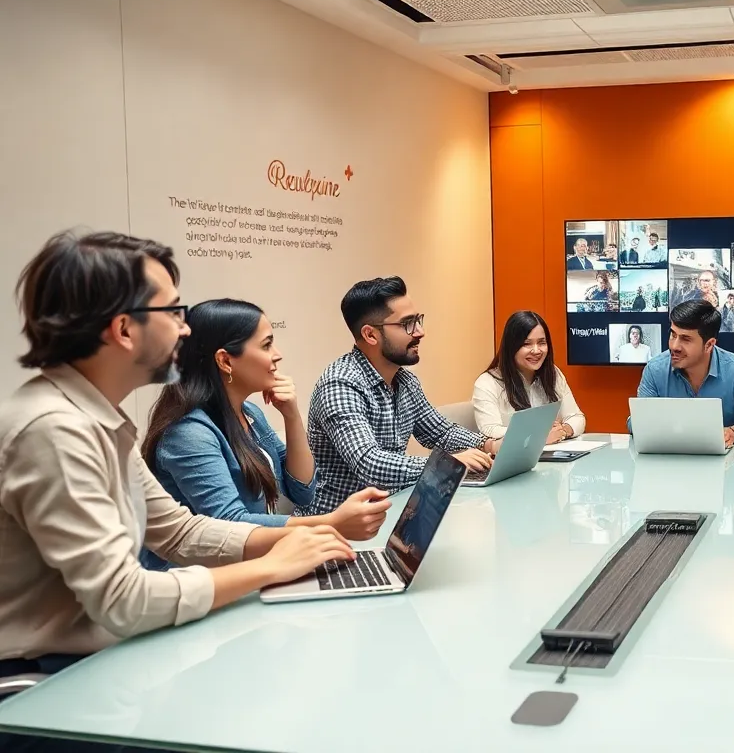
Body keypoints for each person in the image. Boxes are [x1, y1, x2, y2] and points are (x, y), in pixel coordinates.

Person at [0, 231, 359, 711]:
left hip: (93, 665)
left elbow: (178, 531)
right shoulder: (55, 430)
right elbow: (123, 599)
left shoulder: (94, 417)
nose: (184, 329)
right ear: (124, 329)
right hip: (43, 691)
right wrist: (272, 566)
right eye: (172, 312)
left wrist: (304, 537)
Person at [141, 299, 392, 570]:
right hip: (195, 581)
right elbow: (230, 525)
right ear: (225, 360)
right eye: (266, 345)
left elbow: (302, 491)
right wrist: (331, 523)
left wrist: (291, 416)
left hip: (247, 566)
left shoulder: (249, 413)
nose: (277, 354)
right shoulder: (188, 434)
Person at [303, 276, 494, 517]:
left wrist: (488, 444)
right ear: (370, 335)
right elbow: (369, 463)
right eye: (407, 324)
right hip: (339, 527)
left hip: (391, 512)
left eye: (418, 320)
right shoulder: (340, 384)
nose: (420, 332)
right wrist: (448, 465)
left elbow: (440, 432)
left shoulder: (405, 381)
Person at [633, 301, 734, 448]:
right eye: (673, 335)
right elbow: (636, 421)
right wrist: (643, 423)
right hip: (669, 455)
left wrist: (732, 433)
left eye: (685, 339)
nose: (674, 346)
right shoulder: (655, 369)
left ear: (709, 345)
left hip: (726, 458)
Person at [473, 311, 585, 443]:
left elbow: (577, 418)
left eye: (542, 343)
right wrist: (539, 435)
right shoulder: (487, 383)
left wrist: (563, 431)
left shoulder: (553, 373)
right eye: (527, 344)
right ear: (511, 347)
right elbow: (490, 430)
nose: (536, 350)